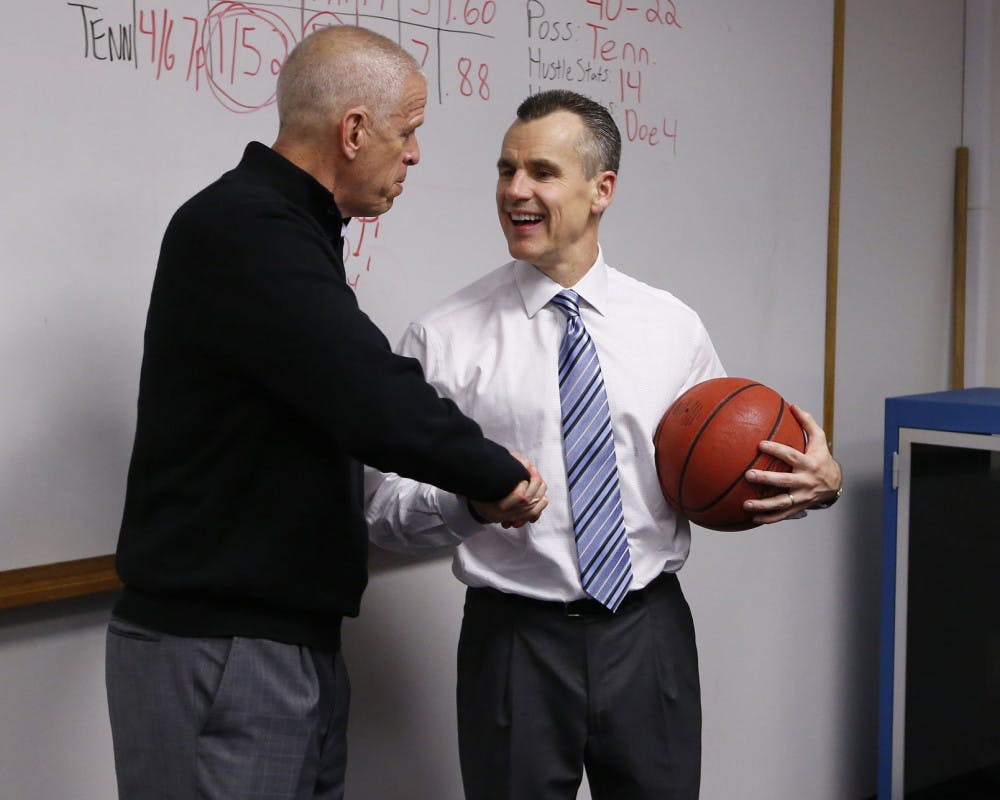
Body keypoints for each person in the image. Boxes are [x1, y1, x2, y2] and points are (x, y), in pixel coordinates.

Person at [105, 25, 547, 800]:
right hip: (222, 650)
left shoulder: (289, 228)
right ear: (353, 131)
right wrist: (495, 474)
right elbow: (366, 389)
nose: (414, 155)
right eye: (407, 133)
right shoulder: (245, 228)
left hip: (275, 643)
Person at [365, 89, 843, 800]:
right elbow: (383, 513)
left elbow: (728, 473)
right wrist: (469, 504)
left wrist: (817, 485)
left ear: (601, 190)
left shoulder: (672, 327)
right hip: (513, 643)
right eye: (506, 169)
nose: (515, 191)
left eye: (542, 172)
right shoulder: (443, 338)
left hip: (648, 633)